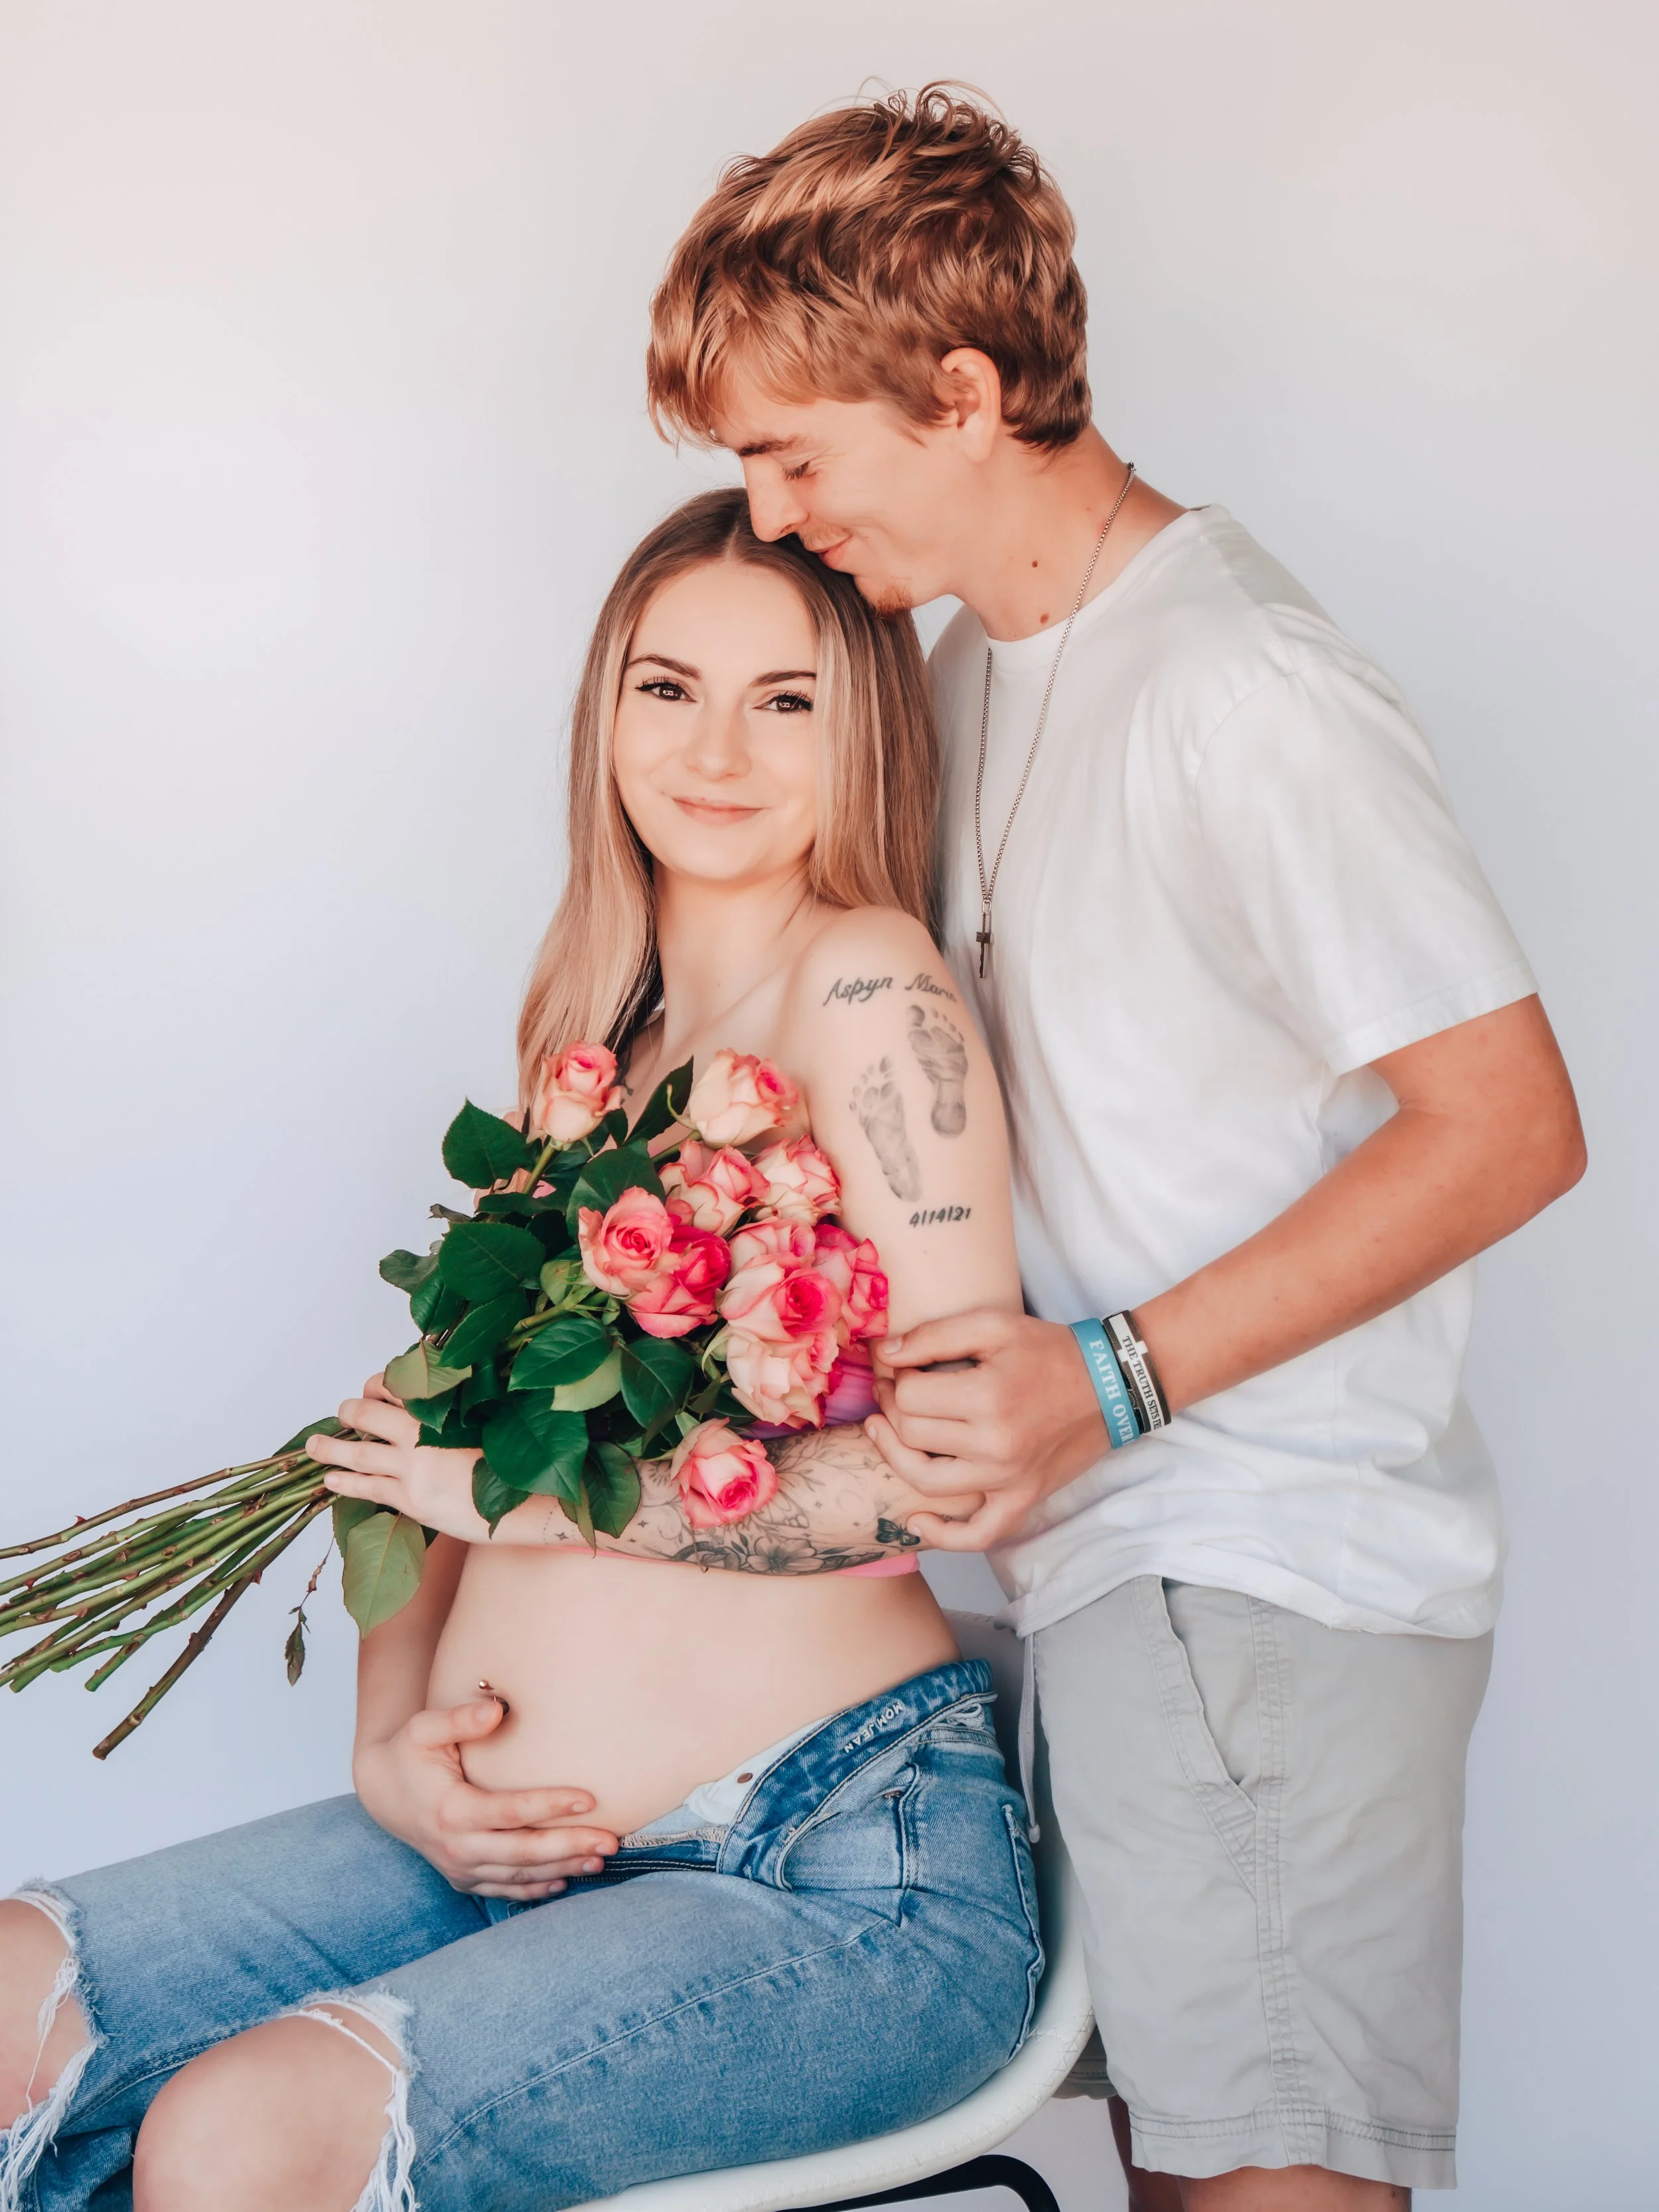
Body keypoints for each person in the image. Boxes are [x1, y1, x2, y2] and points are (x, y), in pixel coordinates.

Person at [640, 89, 1587, 2212]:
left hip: (1263, 1562)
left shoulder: (1239, 686)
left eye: (796, 455)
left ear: (961, 394)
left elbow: (1510, 1124)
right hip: (1110, 1575)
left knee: (1257, 2190)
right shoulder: (978, 673)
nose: (777, 521)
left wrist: (1117, 1374)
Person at [0, 490, 1043, 2212]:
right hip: (512, 1845)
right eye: (665, 685)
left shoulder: (864, 989)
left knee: (236, 2138)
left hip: (825, 1862)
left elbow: (958, 1453)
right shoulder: (589, 1044)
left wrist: (532, 1504)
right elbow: (400, 1440)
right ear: (601, 713)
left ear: (863, 730)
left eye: (785, 698)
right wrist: (392, 1743)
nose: (713, 745)